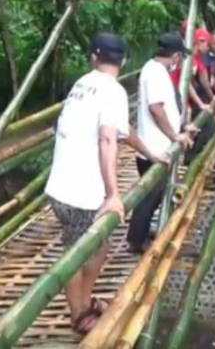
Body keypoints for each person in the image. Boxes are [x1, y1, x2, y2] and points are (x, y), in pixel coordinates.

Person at [45, 32, 165, 335]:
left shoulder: (83, 84)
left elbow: (122, 130)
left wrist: (150, 152)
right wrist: (113, 194)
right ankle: (79, 315)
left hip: (61, 187)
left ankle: (84, 303)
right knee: (78, 253)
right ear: (124, 60)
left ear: (93, 57)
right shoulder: (113, 91)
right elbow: (108, 138)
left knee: (95, 248)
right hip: (80, 193)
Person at [127, 33, 196, 253]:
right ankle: (136, 240)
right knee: (150, 196)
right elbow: (156, 108)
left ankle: (141, 232)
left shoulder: (152, 69)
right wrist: (175, 135)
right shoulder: (156, 74)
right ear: (175, 56)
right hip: (155, 149)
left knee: (152, 194)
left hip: (154, 146)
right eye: (180, 58)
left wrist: (182, 126)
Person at [184, 27, 215, 164]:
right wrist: (201, 103)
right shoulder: (188, 59)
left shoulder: (198, 59)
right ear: (199, 42)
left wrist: (213, 97)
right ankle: (190, 158)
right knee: (201, 128)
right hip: (185, 103)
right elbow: (186, 83)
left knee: (207, 127)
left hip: (193, 101)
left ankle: (194, 157)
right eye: (207, 43)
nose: (209, 46)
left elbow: (205, 80)